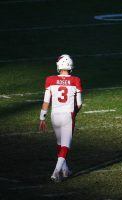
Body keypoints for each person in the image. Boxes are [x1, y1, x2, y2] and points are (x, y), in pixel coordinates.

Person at [39, 54, 82, 182]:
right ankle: (56, 172)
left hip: (54, 115)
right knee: (65, 146)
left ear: (59, 66)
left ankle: (65, 169)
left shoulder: (50, 80)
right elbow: (79, 104)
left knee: (59, 143)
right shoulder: (75, 80)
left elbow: (46, 101)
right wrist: (75, 113)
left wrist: (42, 117)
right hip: (68, 114)